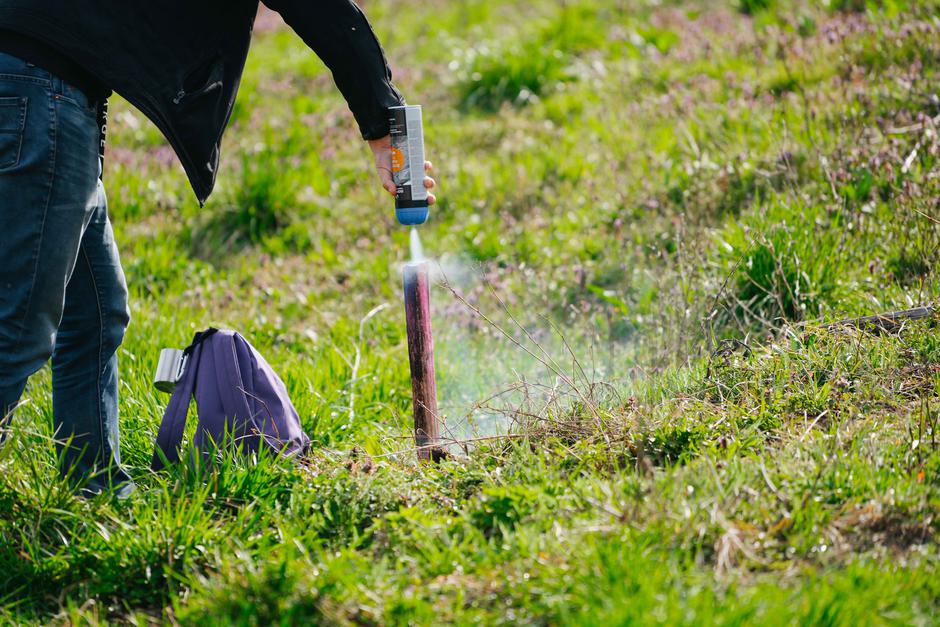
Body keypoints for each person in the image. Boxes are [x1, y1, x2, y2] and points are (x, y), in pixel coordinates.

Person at [0, 0, 436, 496]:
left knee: (97, 315)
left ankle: (93, 490)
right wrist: (383, 124)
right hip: (37, 92)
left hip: (44, 87)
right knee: (18, 330)